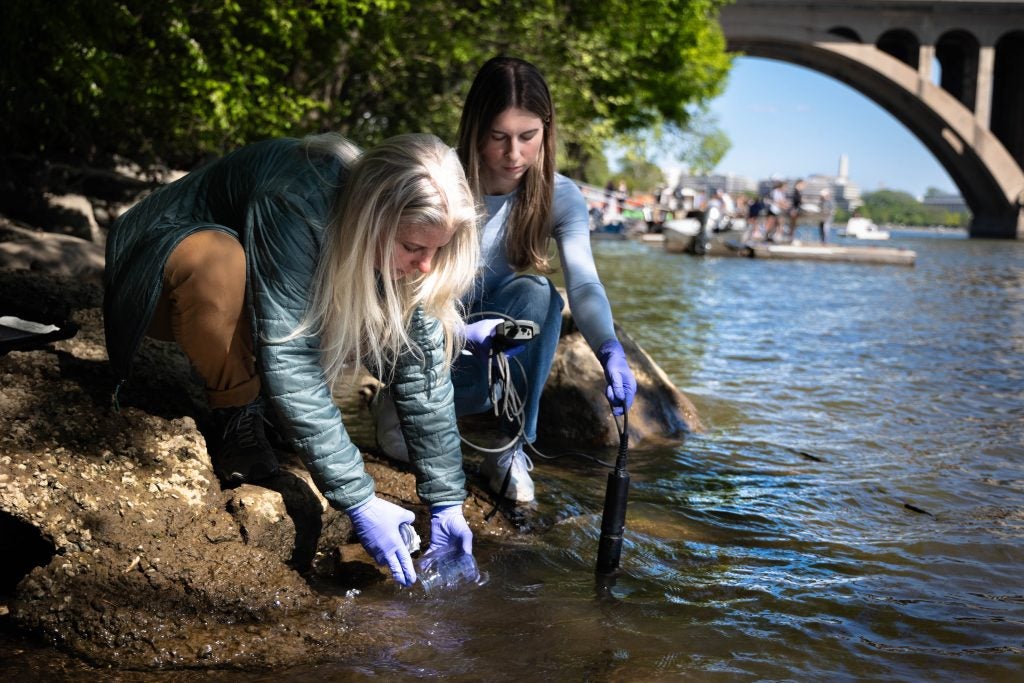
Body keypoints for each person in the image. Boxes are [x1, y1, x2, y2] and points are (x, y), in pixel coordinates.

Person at [103, 132, 480, 588]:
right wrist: (359, 499)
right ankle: (235, 413)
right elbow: (291, 353)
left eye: (436, 250)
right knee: (217, 264)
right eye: (413, 248)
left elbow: (421, 367)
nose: (426, 265)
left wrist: (446, 503)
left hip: (251, 289)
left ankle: (264, 406)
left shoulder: (399, 236)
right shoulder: (295, 198)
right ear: (371, 217)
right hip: (156, 269)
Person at [447, 55, 637, 503]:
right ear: (475, 128)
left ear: (546, 131)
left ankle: (509, 448)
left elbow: (585, 285)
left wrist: (609, 348)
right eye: (499, 137)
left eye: (528, 137)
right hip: (428, 332)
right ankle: (401, 411)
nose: (514, 155)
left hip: (492, 340)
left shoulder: (560, 195)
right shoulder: (439, 177)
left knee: (540, 294)